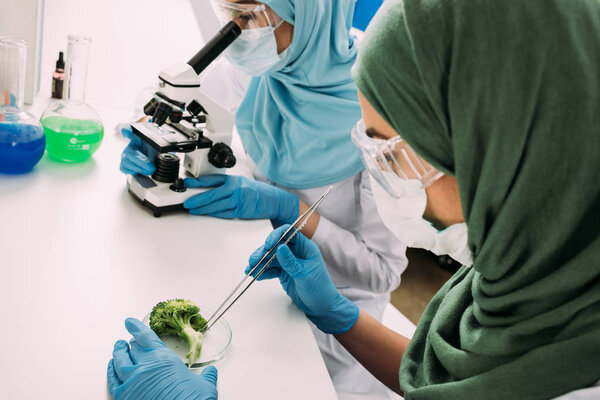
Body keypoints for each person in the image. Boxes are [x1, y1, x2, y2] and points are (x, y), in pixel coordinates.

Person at [109, 0, 600, 399]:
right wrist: (336, 314)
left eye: (391, 155)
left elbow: (387, 278)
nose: (382, 172)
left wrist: (290, 210)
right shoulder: (526, 271)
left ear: (498, 149)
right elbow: (439, 381)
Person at [119, 0, 407, 396]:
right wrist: (145, 136)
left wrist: (289, 208)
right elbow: (171, 97)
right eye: (228, 13)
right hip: (254, 277)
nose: (235, 31)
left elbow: (383, 272)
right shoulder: (267, 66)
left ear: (310, 14)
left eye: (250, 17)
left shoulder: (377, 110)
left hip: (330, 327)